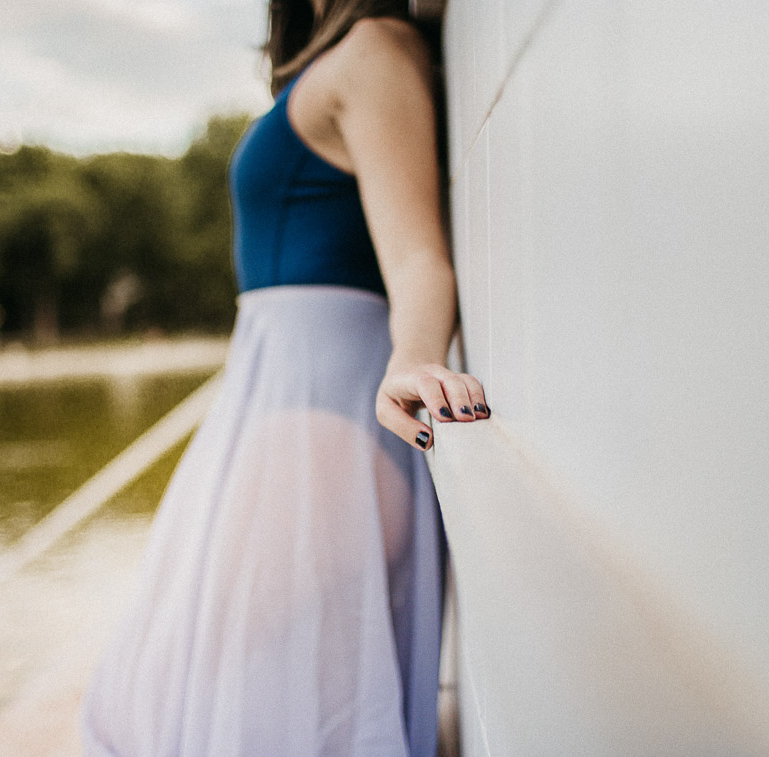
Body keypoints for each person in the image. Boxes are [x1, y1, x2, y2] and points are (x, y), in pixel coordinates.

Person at [81, 0, 489, 754]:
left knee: (254, 685)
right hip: (280, 402)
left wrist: (413, 358)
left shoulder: (376, 46)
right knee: (238, 684)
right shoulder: (331, 60)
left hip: (323, 416)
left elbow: (418, 259)